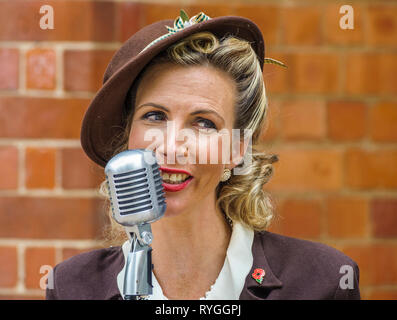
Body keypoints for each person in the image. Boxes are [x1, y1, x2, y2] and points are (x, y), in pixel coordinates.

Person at [46, 10, 360, 300]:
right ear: (128, 135)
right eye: (155, 116)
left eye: (203, 123)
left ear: (237, 149)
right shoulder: (72, 286)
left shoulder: (323, 282)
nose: (170, 146)